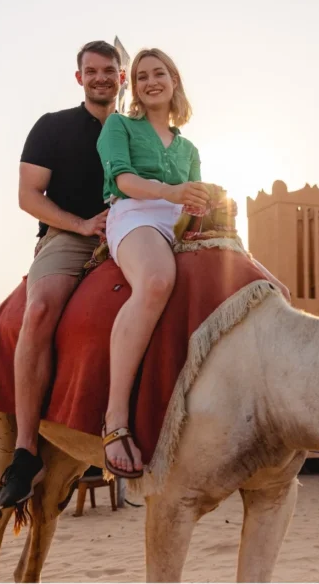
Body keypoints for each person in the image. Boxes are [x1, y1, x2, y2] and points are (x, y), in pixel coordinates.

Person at [0, 41, 125, 507]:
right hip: (69, 237)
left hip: (131, 237)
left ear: (121, 77)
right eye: (91, 71)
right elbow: (29, 195)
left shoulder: (134, 131)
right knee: (41, 310)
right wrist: (82, 225)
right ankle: (26, 450)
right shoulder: (51, 128)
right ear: (79, 78)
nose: (100, 78)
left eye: (109, 70)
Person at [96, 48, 209, 477]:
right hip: (136, 214)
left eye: (159, 73)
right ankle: (115, 417)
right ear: (135, 87)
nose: (150, 81)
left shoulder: (189, 148)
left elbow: (196, 199)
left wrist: (202, 203)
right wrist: (173, 192)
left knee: (263, 287)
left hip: (178, 222)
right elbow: (123, 180)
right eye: (141, 76)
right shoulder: (119, 126)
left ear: (174, 80)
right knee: (158, 280)